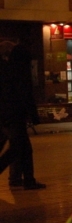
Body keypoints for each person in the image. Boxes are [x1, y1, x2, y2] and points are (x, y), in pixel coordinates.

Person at [0, 40, 45, 190]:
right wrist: (33, 116)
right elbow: (25, 95)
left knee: (18, 147)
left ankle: (19, 178)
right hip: (15, 116)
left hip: (6, 116)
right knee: (20, 148)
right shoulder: (19, 71)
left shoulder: (6, 69)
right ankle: (27, 180)